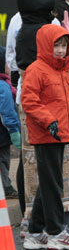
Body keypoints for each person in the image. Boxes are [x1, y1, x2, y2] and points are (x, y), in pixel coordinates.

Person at [21, 24, 69, 250]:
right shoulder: (37, 69)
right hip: (46, 134)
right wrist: (48, 120)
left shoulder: (62, 71)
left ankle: (34, 231)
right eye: (56, 46)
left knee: (48, 182)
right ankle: (55, 232)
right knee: (52, 184)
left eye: (64, 46)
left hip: (59, 132)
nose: (61, 50)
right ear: (45, 46)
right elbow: (30, 101)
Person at [0, 50, 20, 200]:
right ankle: (5, 186)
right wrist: (14, 130)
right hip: (2, 134)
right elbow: (7, 110)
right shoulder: (3, 86)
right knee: (3, 160)